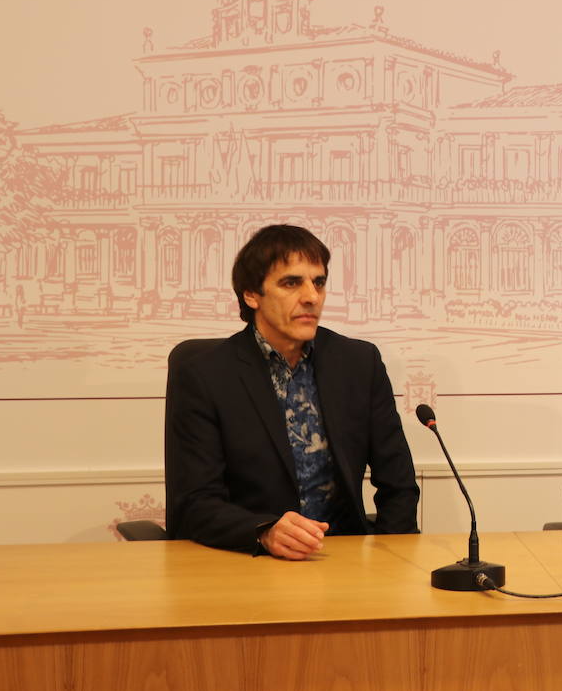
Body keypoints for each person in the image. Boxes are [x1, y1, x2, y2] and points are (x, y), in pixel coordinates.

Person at [165, 225, 419, 558]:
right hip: (247, 559)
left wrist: (390, 561)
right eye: (291, 283)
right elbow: (194, 503)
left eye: (319, 282)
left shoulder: (359, 363)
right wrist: (263, 532)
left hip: (343, 559)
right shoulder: (206, 375)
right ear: (251, 294)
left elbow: (398, 483)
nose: (312, 296)